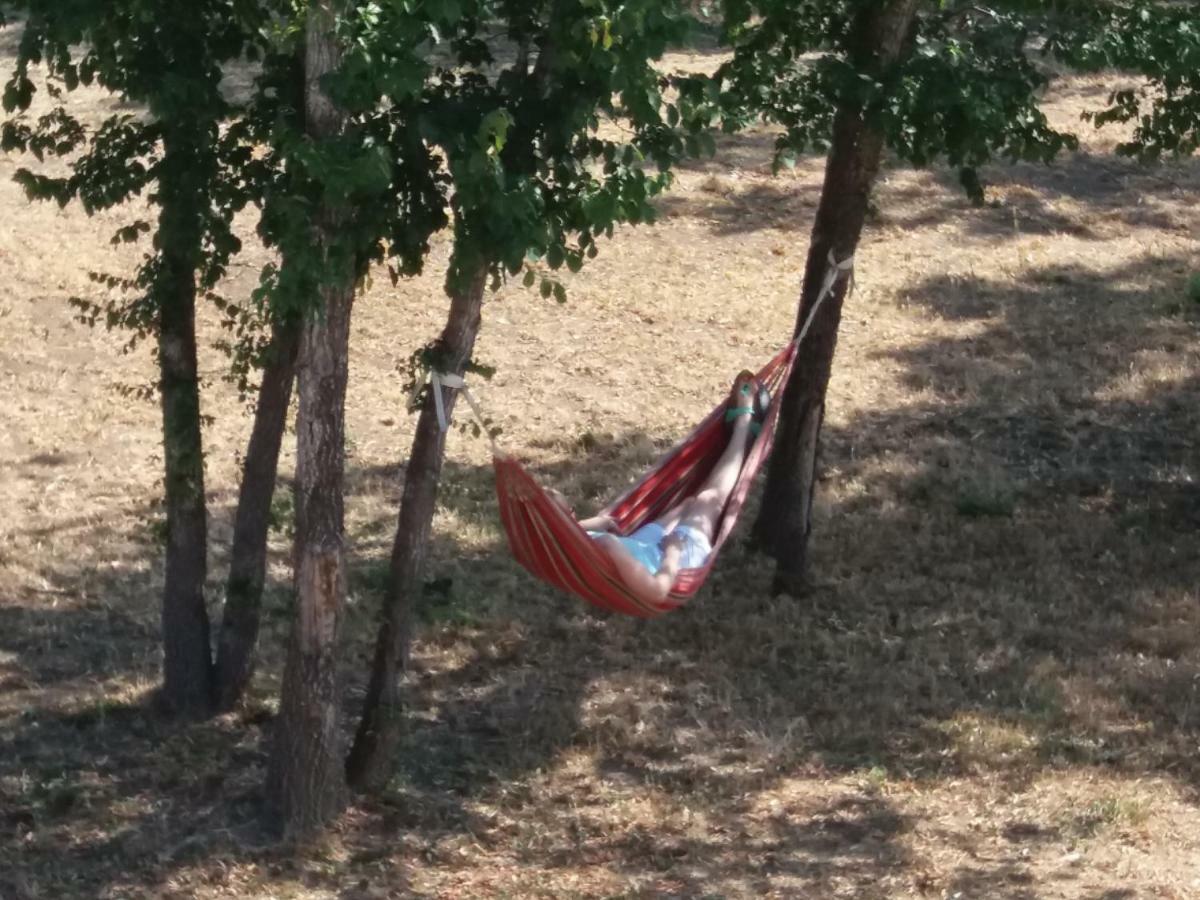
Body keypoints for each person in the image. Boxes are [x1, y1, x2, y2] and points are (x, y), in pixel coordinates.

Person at [550, 370, 768, 604]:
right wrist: (673, 551)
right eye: (556, 500)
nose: (548, 490)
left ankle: (735, 445)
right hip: (667, 559)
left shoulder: (558, 538)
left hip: (639, 547)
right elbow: (657, 590)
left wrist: (594, 523)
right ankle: (743, 427)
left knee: (690, 503)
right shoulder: (606, 544)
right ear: (568, 515)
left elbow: (583, 526)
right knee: (709, 499)